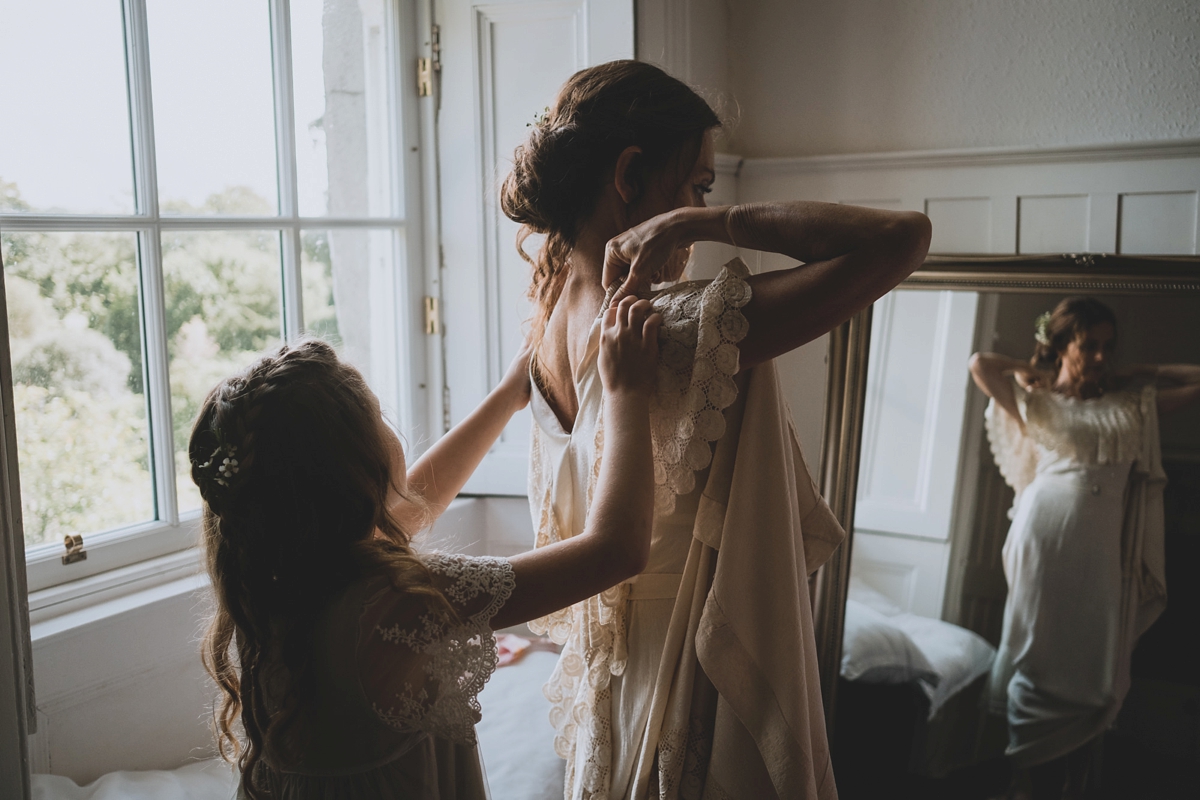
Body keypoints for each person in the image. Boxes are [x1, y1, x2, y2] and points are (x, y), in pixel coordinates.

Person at [500, 60, 932, 799]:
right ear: (631, 174)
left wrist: (687, 210)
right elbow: (902, 239)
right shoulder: (674, 327)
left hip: (609, 688)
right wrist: (706, 224)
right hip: (690, 670)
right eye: (698, 185)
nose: (702, 207)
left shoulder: (543, 333)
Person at [191, 296, 661, 800]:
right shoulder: (397, 601)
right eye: (376, 412)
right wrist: (625, 392)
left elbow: (410, 506)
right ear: (352, 469)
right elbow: (617, 550)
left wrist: (506, 397)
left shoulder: (275, 579)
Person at [970, 296, 1200, 799]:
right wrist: (1035, 369)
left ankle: (1068, 779)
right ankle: (1032, 777)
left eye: (1108, 347)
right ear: (1061, 345)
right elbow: (980, 365)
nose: (1100, 356)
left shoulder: (1132, 405)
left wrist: (1141, 370)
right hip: (1042, 538)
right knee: (1039, 651)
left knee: (1093, 661)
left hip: (1097, 549)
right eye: (1088, 345)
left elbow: (1197, 380)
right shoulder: (1038, 401)